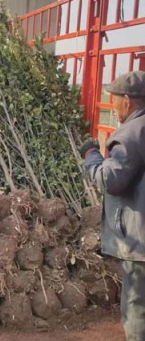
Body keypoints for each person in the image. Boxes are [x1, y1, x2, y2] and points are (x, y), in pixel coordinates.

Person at [80, 70, 145, 341]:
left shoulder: (130, 134)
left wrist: (91, 156)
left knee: (136, 308)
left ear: (127, 101)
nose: (113, 104)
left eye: (113, 99)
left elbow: (111, 179)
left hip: (139, 239)